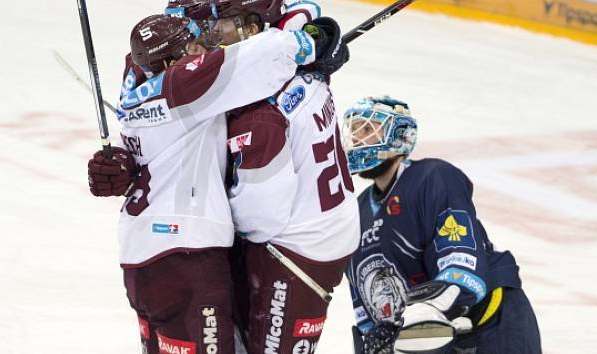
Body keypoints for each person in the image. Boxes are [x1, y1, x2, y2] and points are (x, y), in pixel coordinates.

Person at [86, 2, 349, 353]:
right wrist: (314, 40)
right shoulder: (196, 86)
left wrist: (124, 160)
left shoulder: (139, 79)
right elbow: (267, 52)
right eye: (193, 47)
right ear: (171, 64)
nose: (204, 46)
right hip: (193, 252)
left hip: (143, 256)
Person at [211, 2, 361, 353]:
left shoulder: (260, 112)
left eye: (225, 23)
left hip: (297, 246)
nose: (215, 31)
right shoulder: (293, 58)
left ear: (251, 27)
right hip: (325, 222)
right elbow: (304, 10)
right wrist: (322, 36)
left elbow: (262, 218)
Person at [341, 96, 542, 354]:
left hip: (490, 324)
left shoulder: (432, 178)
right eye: (355, 129)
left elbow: (462, 267)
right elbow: (367, 305)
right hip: (432, 339)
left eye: (367, 128)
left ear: (400, 135)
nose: (357, 138)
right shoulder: (355, 214)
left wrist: (408, 320)